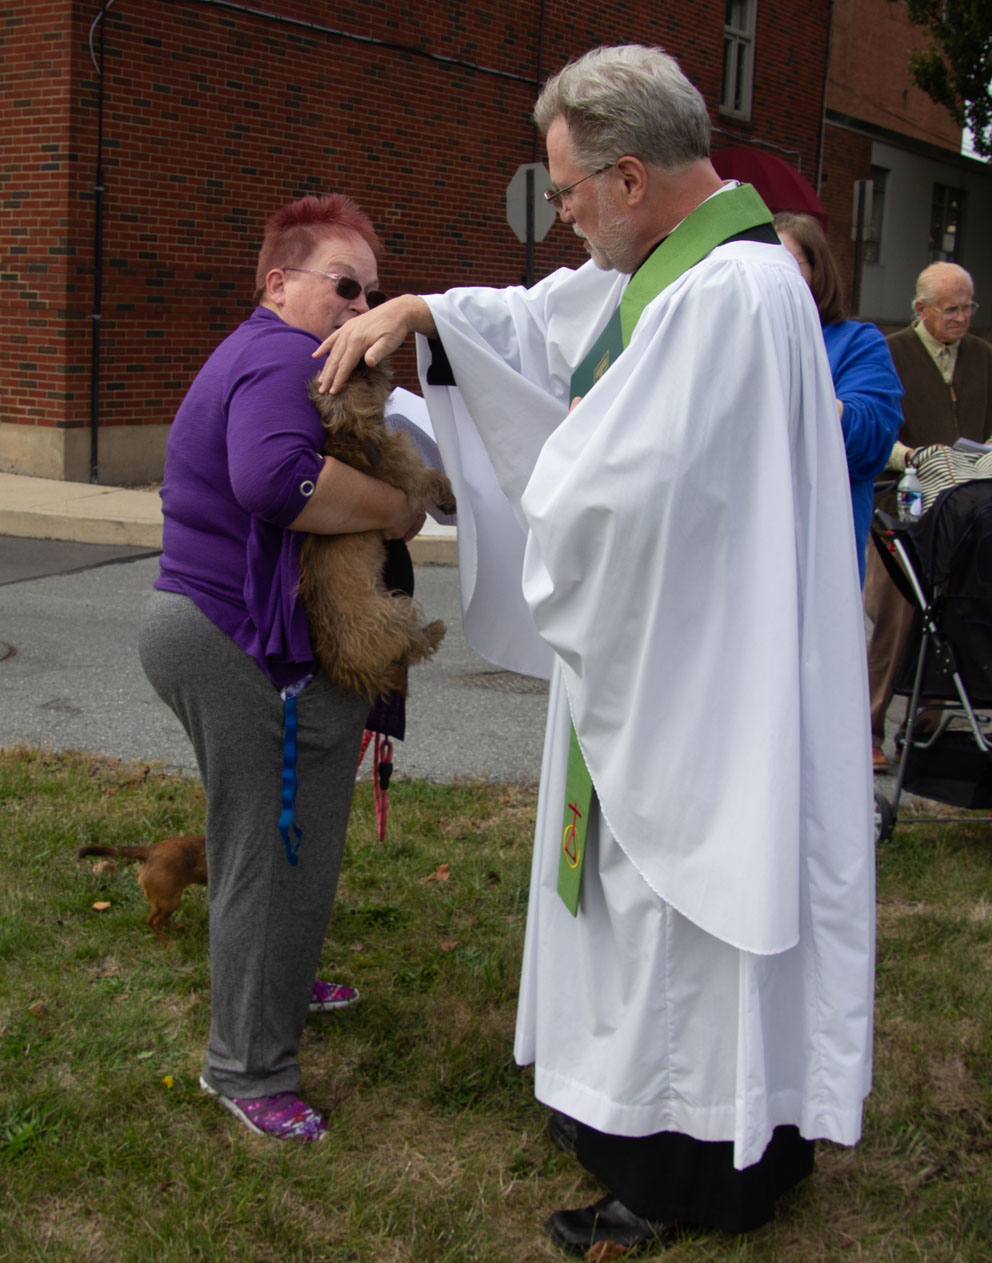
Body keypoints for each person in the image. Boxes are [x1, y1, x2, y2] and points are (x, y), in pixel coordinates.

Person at [317, 45, 875, 1252]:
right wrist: (429, 314)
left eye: (569, 193)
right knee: (646, 906)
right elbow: (547, 320)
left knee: (668, 905)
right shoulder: (694, 269)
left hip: (690, 675)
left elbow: (614, 492)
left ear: (630, 178)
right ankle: (702, 1136)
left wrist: (498, 474)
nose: (562, 219)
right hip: (685, 645)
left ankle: (675, 1174)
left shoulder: (726, 295)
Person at [138, 193, 422, 1141]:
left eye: (374, 293)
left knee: (292, 831)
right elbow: (274, 480)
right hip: (225, 637)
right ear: (279, 283)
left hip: (222, 630)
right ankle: (248, 1068)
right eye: (345, 286)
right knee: (269, 839)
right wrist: (395, 506)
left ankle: (283, 983)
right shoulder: (276, 355)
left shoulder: (276, 354)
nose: (363, 308)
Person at [864, 262, 992, 771]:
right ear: (921, 309)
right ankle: (870, 724)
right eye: (951, 309)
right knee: (898, 615)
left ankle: (927, 727)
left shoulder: (982, 355)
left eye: (969, 307)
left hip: (968, 510)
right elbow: (873, 423)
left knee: (956, 610)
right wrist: (911, 456)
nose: (962, 318)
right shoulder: (889, 352)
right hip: (903, 504)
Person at [773, 211, 903, 585]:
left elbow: (872, 439)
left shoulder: (858, 342)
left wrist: (799, 398)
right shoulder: (742, 339)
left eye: (787, 262)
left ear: (817, 269)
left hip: (820, 554)